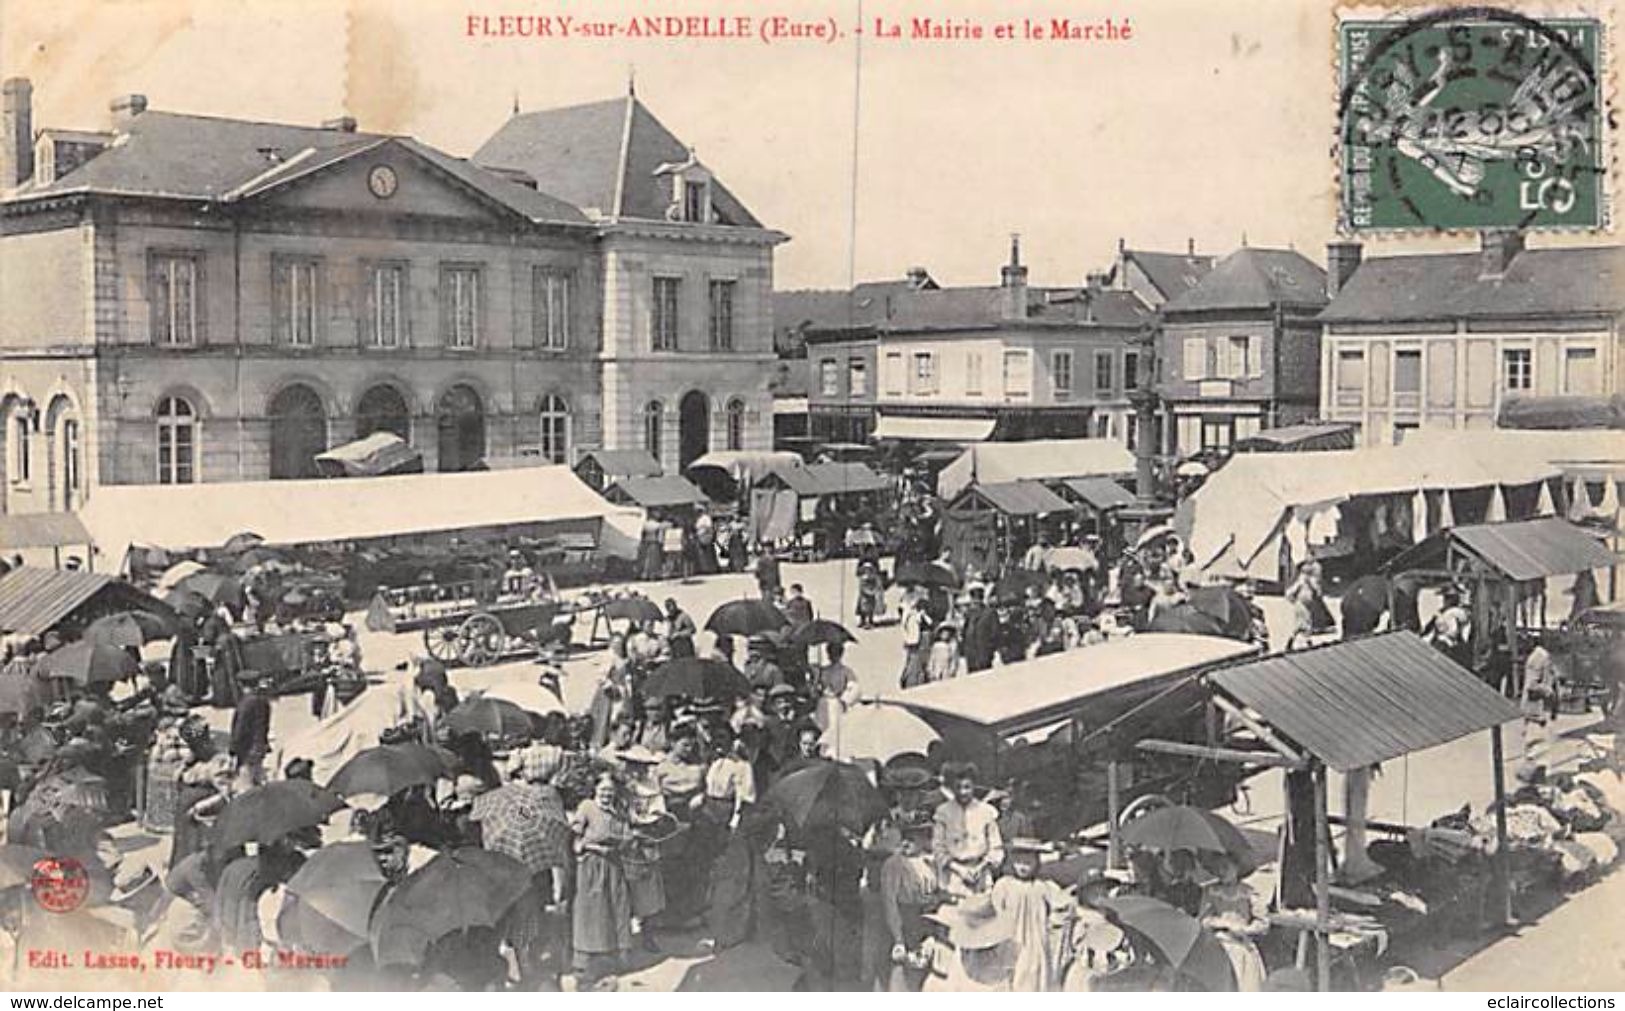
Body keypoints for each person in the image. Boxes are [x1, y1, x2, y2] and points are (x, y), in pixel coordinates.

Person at [570, 771, 635, 989]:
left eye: (610, 791)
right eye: (603, 790)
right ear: (595, 790)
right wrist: (593, 846)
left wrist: (626, 841)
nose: (607, 794)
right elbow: (576, 836)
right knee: (593, 909)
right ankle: (586, 961)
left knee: (616, 905)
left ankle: (612, 956)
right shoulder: (587, 807)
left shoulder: (618, 810)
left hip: (614, 864)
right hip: (592, 865)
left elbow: (626, 833)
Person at [990, 838, 1075, 991]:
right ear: (1012, 861)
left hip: (1036, 944)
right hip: (1010, 942)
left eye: (1028, 862)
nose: (1023, 867)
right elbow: (994, 910)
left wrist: (1055, 923)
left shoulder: (1044, 887)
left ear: (1037, 862)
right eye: (1019, 861)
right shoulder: (1004, 885)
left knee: (1035, 979)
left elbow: (1063, 906)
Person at [876, 815, 942, 991]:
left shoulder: (931, 863)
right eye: (903, 838)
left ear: (923, 839)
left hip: (927, 928)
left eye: (911, 839)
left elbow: (938, 895)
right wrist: (898, 940)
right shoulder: (894, 864)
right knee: (902, 981)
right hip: (904, 926)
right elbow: (889, 903)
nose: (906, 843)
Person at [1197, 852, 1267, 991]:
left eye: (1226, 867)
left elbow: (1263, 923)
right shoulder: (1211, 891)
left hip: (1241, 945)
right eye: (1218, 868)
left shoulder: (1248, 892)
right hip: (1218, 945)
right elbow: (1203, 920)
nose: (1222, 872)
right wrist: (1222, 923)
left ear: (1237, 869)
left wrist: (1246, 929)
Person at [932, 762, 1004, 897]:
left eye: (967, 787)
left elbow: (996, 846)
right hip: (952, 876)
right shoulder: (943, 812)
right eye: (958, 787)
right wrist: (959, 869)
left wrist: (982, 867)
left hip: (980, 874)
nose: (962, 792)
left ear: (974, 786)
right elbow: (938, 848)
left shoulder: (986, 812)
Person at [228, 671, 271, 793]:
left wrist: (233, 750)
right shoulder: (263, 700)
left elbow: (240, 729)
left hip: (247, 749)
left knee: (246, 784)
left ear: (241, 685)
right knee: (259, 777)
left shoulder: (246, 703)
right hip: (260, 745)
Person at [961, 585, 998, 674]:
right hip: (971, 653)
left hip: (984, 651)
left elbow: (995, 633)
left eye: (978, 599)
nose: (975, 601)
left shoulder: (989, 613)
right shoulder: (969, 614)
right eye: (974, 599)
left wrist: (990, 650)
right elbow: (965, 631)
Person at [899, 589, 930, 689]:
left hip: (915, 640)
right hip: (913, 640)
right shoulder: (910, 613)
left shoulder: (913, 613)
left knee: (916, 662)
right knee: (913, 662)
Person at [856, 562, 886, 629]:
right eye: (866, 569)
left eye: (869, 569)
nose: (867, 571)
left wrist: (875, 591)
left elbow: (878, 585)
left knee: (870, 609)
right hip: (864, 596)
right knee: (862, 609)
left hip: (871, 596)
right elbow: (862, 587)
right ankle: (862, 621)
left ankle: (870, 621)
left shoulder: (874, 577)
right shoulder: (863, 578)